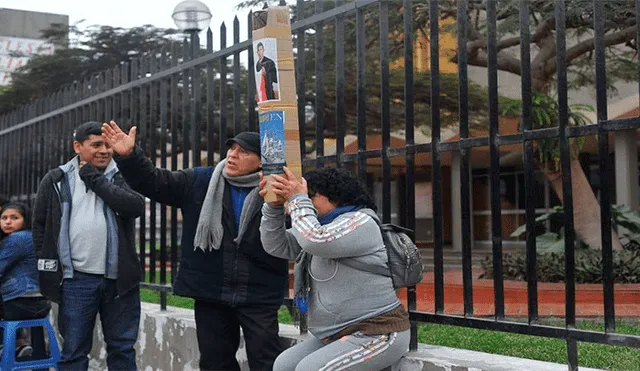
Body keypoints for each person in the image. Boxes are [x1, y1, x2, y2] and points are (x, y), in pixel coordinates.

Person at [101, 121, 288, 371]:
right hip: (211, 290)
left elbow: (292, 233)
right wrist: (129, 156)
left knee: (267, 361)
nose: (233, 155)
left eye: (243, 152)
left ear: (262, 161)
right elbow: (155, 182)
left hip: (259, 292)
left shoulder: (278, 191)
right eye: (231, 149)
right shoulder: (201, 181)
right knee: (214, 362)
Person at [259, 167, 411, 371]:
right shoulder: (315, 226)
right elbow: (277, 245)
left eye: (310, 196)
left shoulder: (360, 221)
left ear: (334, 197)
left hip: (378, 332)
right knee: (284, 365)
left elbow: (316, 239)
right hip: (337, 334)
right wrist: (274, 207)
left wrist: (296, 199)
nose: (305, 201)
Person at [32, 121, 144, 371]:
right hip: (75, 281)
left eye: (107, 145)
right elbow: (39, 226)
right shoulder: (56, 179)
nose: (104, 150)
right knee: (73, 350)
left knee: (122, 349)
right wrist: (47, 265)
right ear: (77, 146)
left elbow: (134, 207)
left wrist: (94, 179)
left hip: (120, 281)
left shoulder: (121, 174)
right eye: (96, 145)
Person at [0, 202, 51, 359]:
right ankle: (29, 350)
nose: (8, 222)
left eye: (14, 218)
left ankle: (13, 346)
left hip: (20, 302)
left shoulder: (18, 239)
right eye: (4, 218)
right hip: (40, 304)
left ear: (25, 220)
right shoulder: (31, 236)